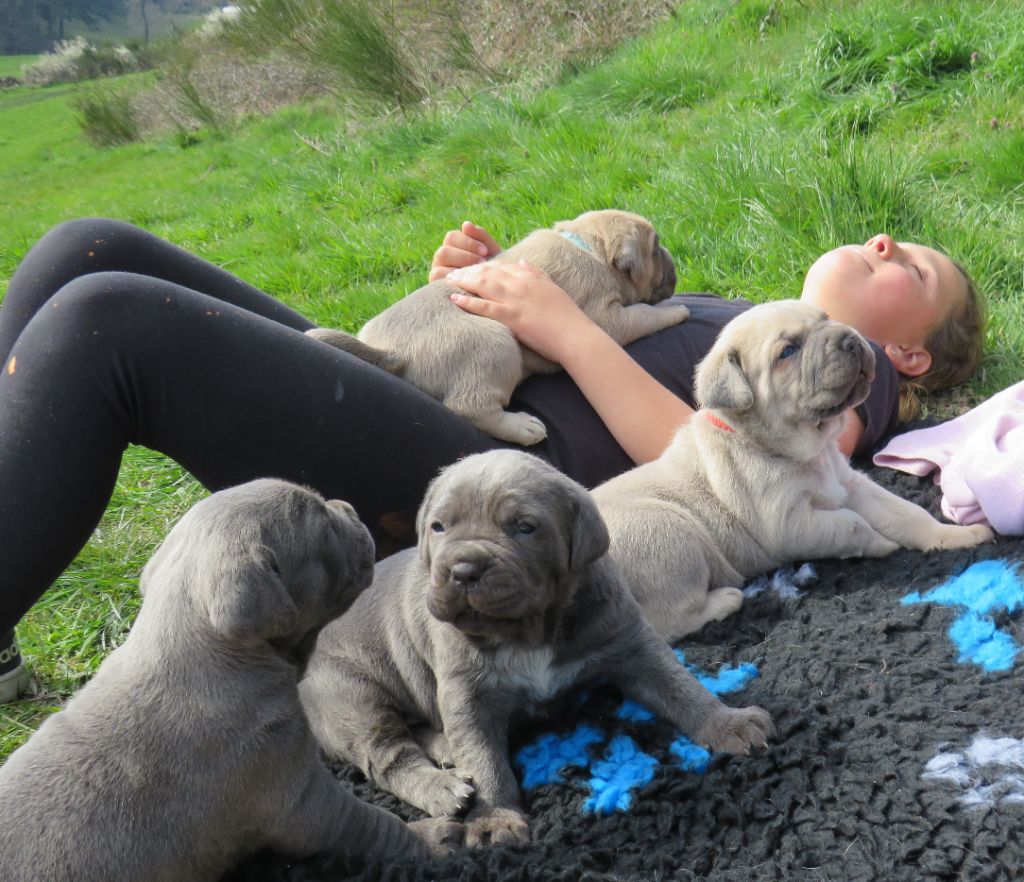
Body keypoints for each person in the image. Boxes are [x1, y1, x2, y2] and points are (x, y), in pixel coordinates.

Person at [0, 217, 984, 701]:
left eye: (917, 267)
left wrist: (565, 325)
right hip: (454, 398)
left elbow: (721, 467)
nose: (885, 241)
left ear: (906, 357)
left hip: (487, 491)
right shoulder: (751, 310)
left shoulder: (857, 391)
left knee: (111, 327)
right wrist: (458, 305)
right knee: (86, 251)